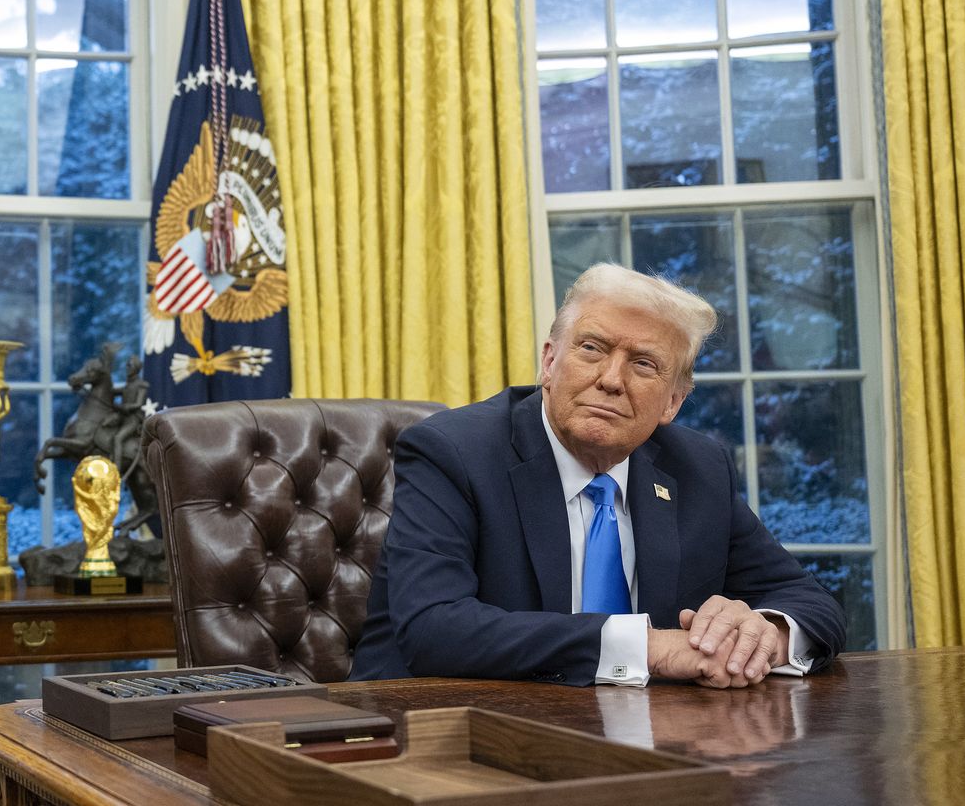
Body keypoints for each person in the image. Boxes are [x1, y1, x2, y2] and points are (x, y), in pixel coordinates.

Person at [350, 263, 845, 688]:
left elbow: (810, 601)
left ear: (673, 401)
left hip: (642, 741)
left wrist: (764, 635)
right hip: (438, 739)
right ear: (549, 361)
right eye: (591, 348)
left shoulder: (697, 468)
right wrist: (649, 648)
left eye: (644, 364)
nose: (610, 379)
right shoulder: (454, 452)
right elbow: (435, 629)